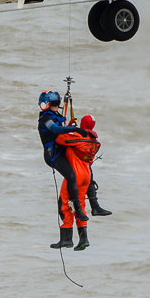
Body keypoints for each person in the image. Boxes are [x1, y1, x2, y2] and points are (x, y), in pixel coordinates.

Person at [37, 90, 89, 250]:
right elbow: (55, 130)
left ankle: (70, 238)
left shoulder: (57, 116)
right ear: (45, 104)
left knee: (81, 176)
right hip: (53, 155)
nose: (55, 107)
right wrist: (71, 130)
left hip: (63, 151)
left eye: (57, 104)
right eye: (53, 104)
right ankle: (78, 211)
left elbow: (62, 124)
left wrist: (71, 127)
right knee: (71, 176)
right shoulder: (45, 119)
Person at [77, 114, 112, 216]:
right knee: (90, 181)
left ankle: (88, 209)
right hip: (87, 167)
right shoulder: (94, 140)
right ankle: (95, 207)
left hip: (77, 167)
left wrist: (69, 128)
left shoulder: (77, 135)